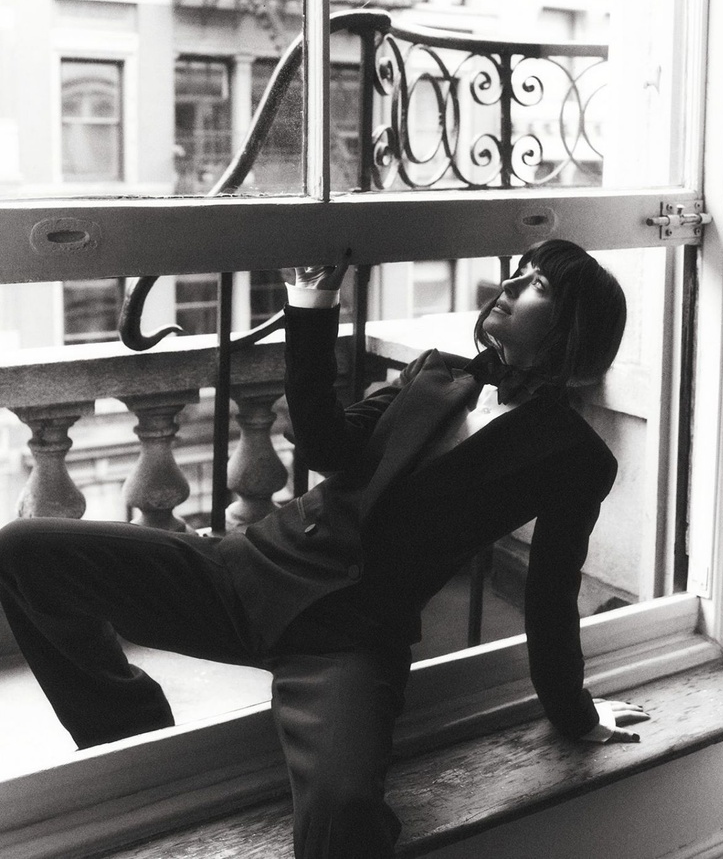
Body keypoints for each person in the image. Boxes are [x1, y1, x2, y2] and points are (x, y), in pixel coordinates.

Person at [0, 238, 648, 858]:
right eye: (519, 268)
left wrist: (575, 713)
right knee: (21, 549)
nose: (509, 282)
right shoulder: (435, 373)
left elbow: (551, 595)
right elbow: (326, 448)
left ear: (574, 330)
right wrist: (310, 306)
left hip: (348, 637)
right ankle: (129, 729)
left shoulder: (573, 456)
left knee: (344, 814)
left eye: (537, 283)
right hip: (245, 570)